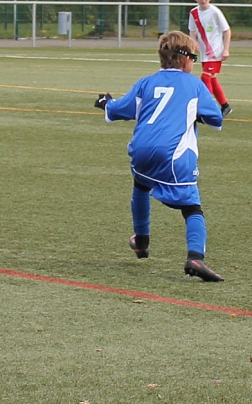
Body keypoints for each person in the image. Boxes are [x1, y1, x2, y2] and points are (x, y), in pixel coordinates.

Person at [95, 31, 226, 282]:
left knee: (141, 184)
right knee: (192, 208)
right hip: (174, 155)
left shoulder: (146, 83)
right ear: (185, 59)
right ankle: (195, 257)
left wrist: (105, 102)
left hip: (140, 150)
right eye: (194, 58)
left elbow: (118, 110)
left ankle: (141, 241)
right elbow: (216, 119)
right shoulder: (194, 85)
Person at [188, 0, 233, 117]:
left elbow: (227, 30)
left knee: (205, 76)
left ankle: (207, 107)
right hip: (204, 52)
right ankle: (225, 106)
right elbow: (192, 31)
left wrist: (226, 49)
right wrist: (194, 41)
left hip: (215, 51)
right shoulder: (194, 12)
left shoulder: (215, 12)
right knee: (212, 78)